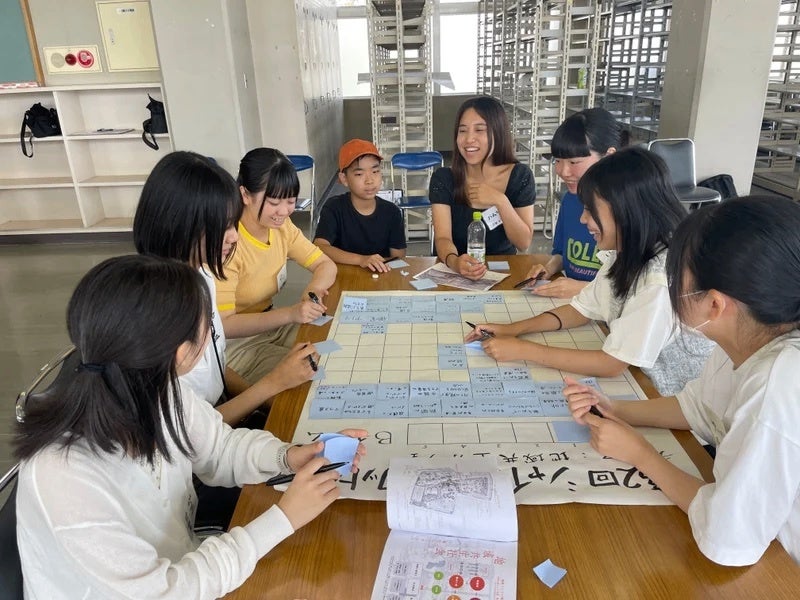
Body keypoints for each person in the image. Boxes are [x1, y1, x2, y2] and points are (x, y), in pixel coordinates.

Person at [13, 254, 367, 598]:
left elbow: (221, 449)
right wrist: (284, 518)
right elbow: (167, 591)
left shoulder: (158, 389)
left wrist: (288, 457)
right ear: (182, 352)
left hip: (186, 561)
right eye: (207, 323)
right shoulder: (64, 477)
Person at [564, 196, 800, 566]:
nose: (669, 288)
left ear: (715, 305)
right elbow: (696, 407)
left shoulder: (778, 382)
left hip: (779, 568)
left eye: (676, 279)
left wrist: (640, 454)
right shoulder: (747, 336)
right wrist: (616, 409)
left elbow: (726, 535)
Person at [465, 147, 713, 396]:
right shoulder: (625, 252)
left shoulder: (657, 279)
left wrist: (523, 350)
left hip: (669, 395)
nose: (583, 220)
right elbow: (581, 309)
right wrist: (513, 329)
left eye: (591, 211)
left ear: (627, 211)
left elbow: (612, 364)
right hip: (642, 378)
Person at [133, 151, 318, 425]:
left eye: (233, 223)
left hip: (220, 417)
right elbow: (194, 433)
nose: (234, 236)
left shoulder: (203, 275)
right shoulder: (157, 313)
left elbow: (218, 365)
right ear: (180, 224)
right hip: (202, 438)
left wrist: (261, 392)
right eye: (222, 226)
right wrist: (272, 385)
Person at [217, 147, 338, 384]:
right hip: (237, 344)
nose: (283, 211)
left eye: (291, 201)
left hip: (273, 323)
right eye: (273, 202)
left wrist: (312, 291)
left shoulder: (282, 227)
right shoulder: (227, 242)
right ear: (245, 194)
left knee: (334, 350)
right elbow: (225, 325)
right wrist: (291, 313)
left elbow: (325, 264)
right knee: (312, 376)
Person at [430, 96, 535, 280]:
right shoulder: (444, 178)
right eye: (462, 131)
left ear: (498, 132)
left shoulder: (520, 175)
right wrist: (455, 262)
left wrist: (500, 201)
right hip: (453, 271)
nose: (469, 139)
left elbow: (523, 242)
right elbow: (442, 238)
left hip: (502, 272)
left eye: (480, 130)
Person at [526, 107, 627, 298]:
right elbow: (562, 253)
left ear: (609, 156)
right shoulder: (570, 200)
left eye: (574, 162)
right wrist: (549, 268)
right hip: (572, 305)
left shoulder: (629, 210)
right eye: (558, 161)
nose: (563, 172)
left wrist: (583, 289)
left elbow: (638, 288)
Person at [313, 139, 406, 273]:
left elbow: (398, 258)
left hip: (381, 275)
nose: (369, 180)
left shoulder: (392, 212)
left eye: (375, 171)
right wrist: (361, 259)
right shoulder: (334, 208)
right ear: (344, 179)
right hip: (344, 275)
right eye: (359, 174)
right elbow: (320, 246)